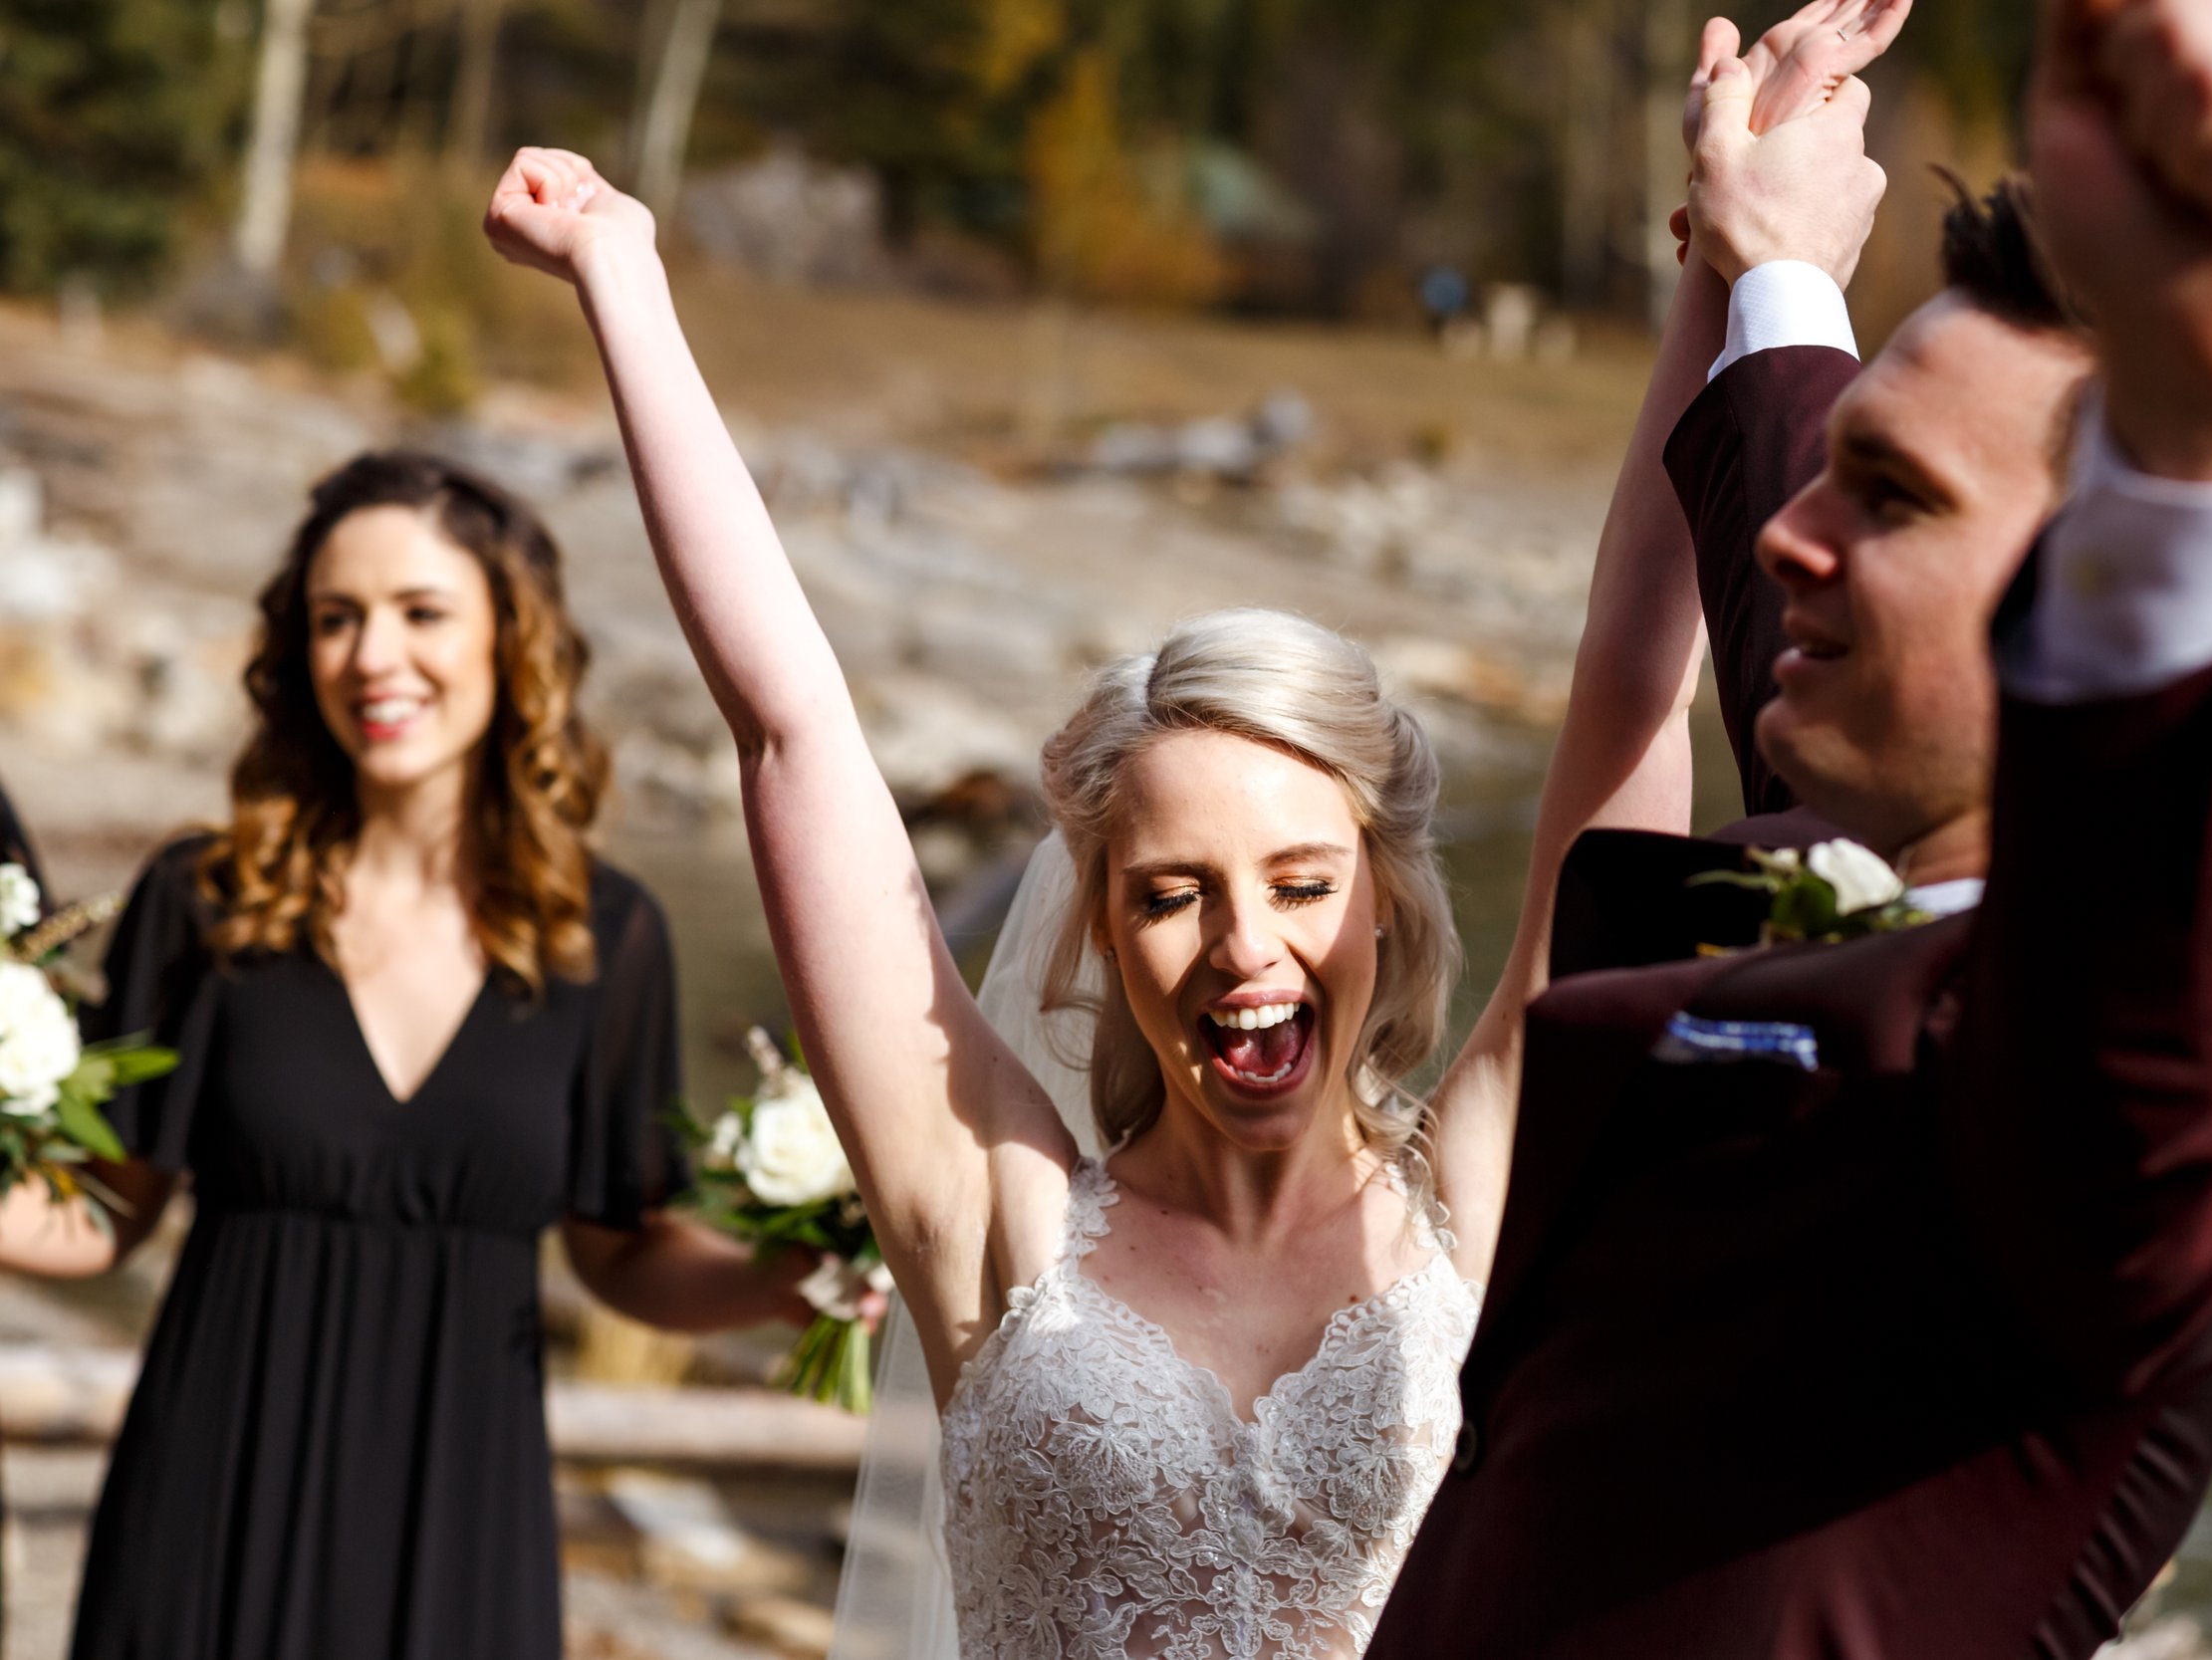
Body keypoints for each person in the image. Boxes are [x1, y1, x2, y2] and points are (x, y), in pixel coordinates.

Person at [480, 6, 1905, 1653]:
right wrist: (622, 269)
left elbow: (1634, 696)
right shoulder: (989, 1214)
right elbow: (792, 729)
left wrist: (1723, 269)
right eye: (1172, 893)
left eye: (1301, 881)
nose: (1246, 948)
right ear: (1095, 919)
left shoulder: (1481, 1184)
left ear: (1386, 898)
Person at [1367, 1, 2212, 1656]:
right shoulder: (1856, 853)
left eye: (1897, 497)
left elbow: (2144, 955)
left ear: (2110, 603)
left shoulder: (2195, 1067)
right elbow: (1806, 509)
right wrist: (1772, 260)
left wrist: (2209, 410)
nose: (1792, 534)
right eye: (1837, 471)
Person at [51, 452, 817, 1660]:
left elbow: (622, 1251)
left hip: (461, 1524)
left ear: (512, 641)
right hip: (210, 1502)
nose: (372, 655)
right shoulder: (203, 903)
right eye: (335, 618)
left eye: (420, 612)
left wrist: (796, 1273)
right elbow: (100, 1214)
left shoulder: (603, 937)